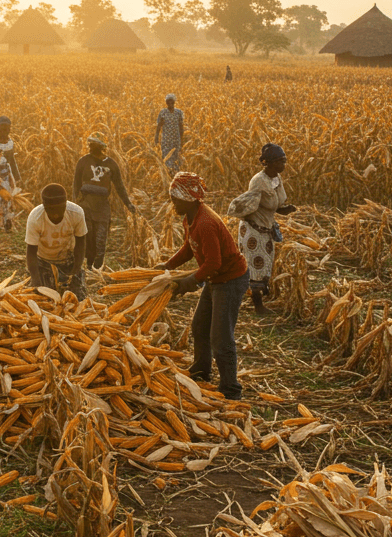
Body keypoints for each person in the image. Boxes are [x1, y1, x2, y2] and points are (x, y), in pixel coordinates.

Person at [160, 172, 250, 400]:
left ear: (189, 199)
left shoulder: (206, 223)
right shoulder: (191, 217)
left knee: (220, 337)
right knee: (200, 326)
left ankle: (231, 389)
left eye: (176, 199)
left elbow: (214, 262)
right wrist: (168, 265)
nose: (173, 204)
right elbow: (190, 248)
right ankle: (202, 370)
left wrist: (190, 282)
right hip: (215, 278)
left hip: (230, 279)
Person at [227, 143, 298, 315]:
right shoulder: (258, 182)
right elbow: (250, 204)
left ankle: (258, 293)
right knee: (256, 266)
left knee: (265, 262)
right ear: (270, 163)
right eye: (280, 161)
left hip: (266, 228)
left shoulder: (276, 179)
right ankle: (258, 306)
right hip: (253, 229)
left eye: (284, 161)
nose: (284, 165)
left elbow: (274, 204)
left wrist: (285, 209)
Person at [72, 133, 138, 269]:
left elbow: (120, 186)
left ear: (101, 147)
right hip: (86, 205)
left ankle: (97, 268)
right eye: (90, 145)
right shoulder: (83, 161)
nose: (91, 148)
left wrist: (128, 203)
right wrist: (75, 203)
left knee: (100, 240)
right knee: (88, 237)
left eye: (94, 145)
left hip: (102, 207)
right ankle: (89, 266)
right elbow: (76, 184)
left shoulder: (111, 164)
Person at [25, 183, 88, 299]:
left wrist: (76, 270)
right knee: (44, 297)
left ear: (66, 204)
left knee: (78, 297)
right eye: (51, 210)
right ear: (44, 206)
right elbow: (31, 252)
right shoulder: (35, 218)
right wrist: (36, 279)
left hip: (69, 261)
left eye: (59, 210)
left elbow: (81, 243)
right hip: (44, 262)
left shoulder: (76, 213)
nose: (55, 214)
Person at [153, 94, 185, 174]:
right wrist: (156, 138)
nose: (170, 104)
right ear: (166, 103)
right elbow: (159, 126)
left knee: (176, 157)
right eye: (168, 102)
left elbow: (181, 127)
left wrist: (182, 140)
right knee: (166, 157)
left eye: (172, 102)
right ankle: (168, 173)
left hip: (176, 139)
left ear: (174, 102)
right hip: (166, 140)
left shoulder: (179, 112)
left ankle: (175, 174)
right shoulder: (163, 112)